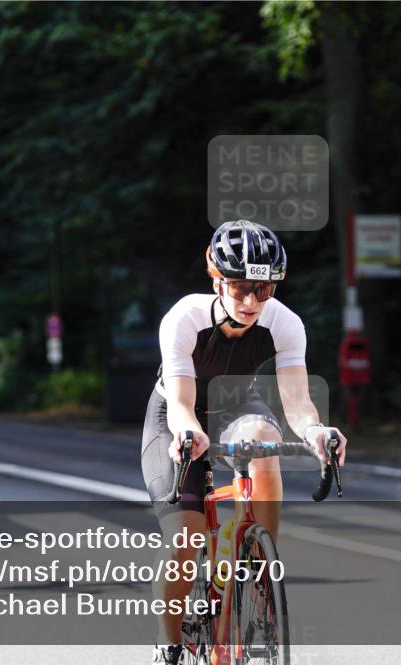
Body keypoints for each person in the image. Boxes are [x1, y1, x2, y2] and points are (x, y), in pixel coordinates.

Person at [140, 220, 348, 664]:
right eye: (239, 288)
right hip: (178, 415)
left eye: (264, 289)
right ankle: (169, 644)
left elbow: (296, 400)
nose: (252, 300)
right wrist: (187, 431)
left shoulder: (285, 323)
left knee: (266, 438)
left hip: (236, 406)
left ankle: (257, 563)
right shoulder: (184, 318)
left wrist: (315, 431)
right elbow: (180, 401)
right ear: (216, 279)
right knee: (186, 538)